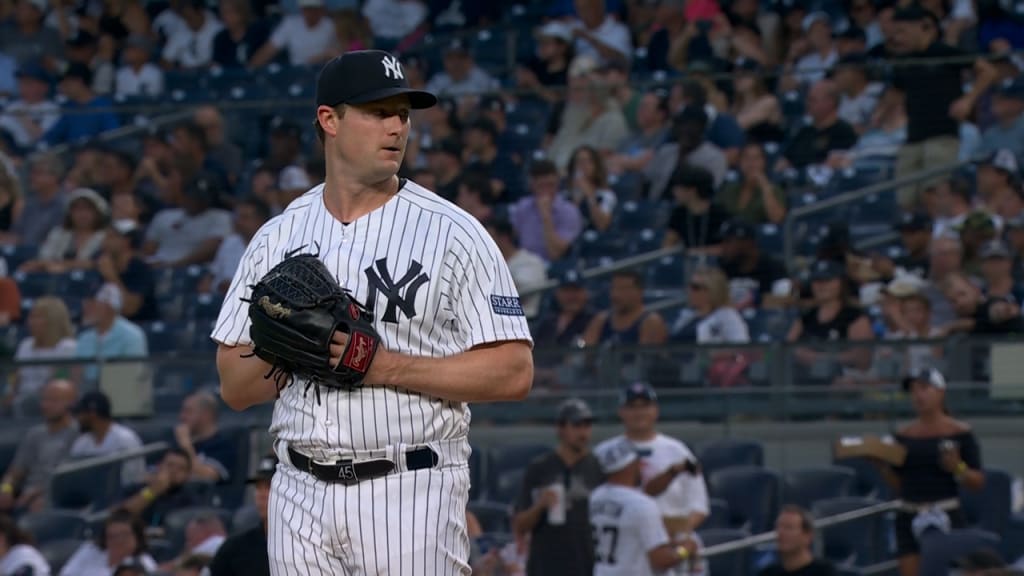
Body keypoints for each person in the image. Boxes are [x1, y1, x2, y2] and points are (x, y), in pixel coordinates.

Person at [211, 50, 534, 575]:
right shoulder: (278, 236)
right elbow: (234, 385)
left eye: (403, 114)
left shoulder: (453, 232)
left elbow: (515, 371)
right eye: (377, 111)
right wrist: (301, 350)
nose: (396, 127)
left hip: (409, 486)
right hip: (298, 489)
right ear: (329, 120)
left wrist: (385, 366)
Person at [877, 368, 986, 576]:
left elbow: (978, 482)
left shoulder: (960, 433)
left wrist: (958, 467)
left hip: (945, 513)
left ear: (940, 392)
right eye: (914, 390)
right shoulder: (903, 435)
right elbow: (899, 483)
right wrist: (882, 466)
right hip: (909, 513)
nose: (918, 395)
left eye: (924, 388)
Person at [512, 398, 603, 576]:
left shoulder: (598, 467)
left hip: (588, 563)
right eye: (577, 425)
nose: (583, 432)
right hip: (546, 564)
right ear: (561, 429)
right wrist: (540, 505)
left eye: (587, 425)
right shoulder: (540, 468)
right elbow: (520, 525)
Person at [612, 383, 708, 546]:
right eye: (632, 407)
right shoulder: (607, 453)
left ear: (655, 410)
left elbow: (699, 507)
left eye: (645, 406)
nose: (639, 412)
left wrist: (677, 534)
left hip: (674, 540)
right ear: (621, 412)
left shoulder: (679, 452)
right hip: (623, 542)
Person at [589, 436, 700, 576]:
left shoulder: (595, 497)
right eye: (637, 461)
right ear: (627, 466)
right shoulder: (642, 504)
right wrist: (686, 549)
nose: (641, 464)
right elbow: (661, 560)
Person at [0, 379, 78, 514]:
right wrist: (6, 489)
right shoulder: (34, 434)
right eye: (44, 400)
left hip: (56, 498)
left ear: (71, 403)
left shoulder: (79, 434)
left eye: (54, 400)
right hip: (25, 498)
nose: (46, 405)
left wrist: (36, 493)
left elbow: (67, 478)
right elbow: (15, 472)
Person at [207, 454, 274, 576]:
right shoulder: (235, 549)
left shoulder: (307, 545)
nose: (261, 495)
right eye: (258, 487)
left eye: (269, 487)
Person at [67, 391, 145, 485]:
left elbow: (133, 480)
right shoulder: (81, 443)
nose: (77, 419)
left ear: (92, 413)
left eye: (79, 414)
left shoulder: (125, 439)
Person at [60, 509, 157, 576]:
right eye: (112, 536)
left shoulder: (144, 564)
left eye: (124, 535)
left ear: (137, 537)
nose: (118, 541)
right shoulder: (90, 550)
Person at [758, 505, 836, 576]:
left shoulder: (824, 572)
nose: (781, 533)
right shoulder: (768, 573)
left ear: (807, 535)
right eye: (778, 527)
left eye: (788, 527)